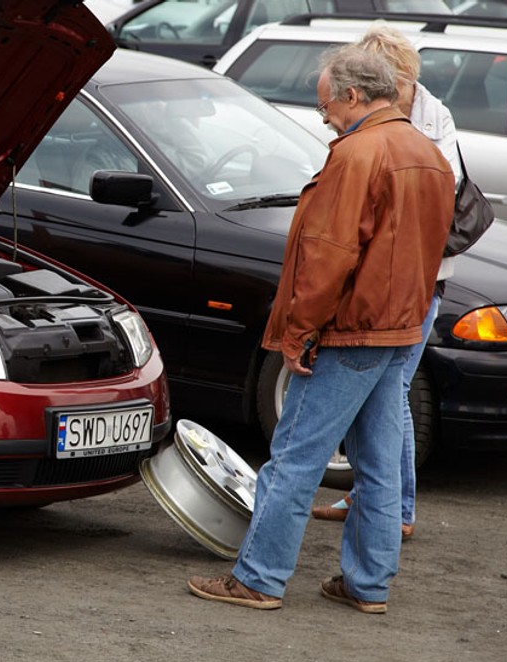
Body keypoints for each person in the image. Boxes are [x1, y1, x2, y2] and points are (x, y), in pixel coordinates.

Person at [187, 44, 454, 614]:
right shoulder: (427, 153)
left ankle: (258, 578)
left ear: (353, 96)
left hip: (352, 331)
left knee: (294, 457)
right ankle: (368, 586)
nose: (325, 116)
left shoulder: (357, 154)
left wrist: (298, 331)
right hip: (401, 326)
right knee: (380, 464)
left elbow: (329, 256)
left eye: (325, 106)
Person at [310, 24, 461, 541]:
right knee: (384, 396)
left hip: (411, 281)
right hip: (405, 277)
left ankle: (395, 508)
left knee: (389, 394)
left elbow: (428, 198)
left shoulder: (425, 120)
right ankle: (382, 506)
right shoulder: (394, 119)